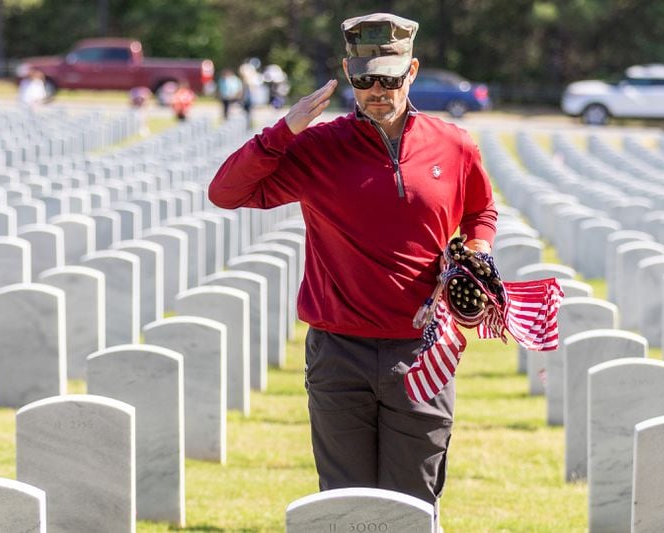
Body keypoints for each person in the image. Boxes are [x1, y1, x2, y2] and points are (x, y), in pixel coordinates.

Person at [208, 12, 497, 510]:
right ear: (347, 72)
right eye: (365, 79)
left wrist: (478, 248)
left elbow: (480, 210)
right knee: (346, 504)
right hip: (339, 351)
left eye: (388, 77)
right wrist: (285, 129)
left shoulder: (454, 145)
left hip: (422, 349)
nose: (377, 90)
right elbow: (226, 193)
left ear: (412, 71)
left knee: (414, 501)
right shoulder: (318, 148)